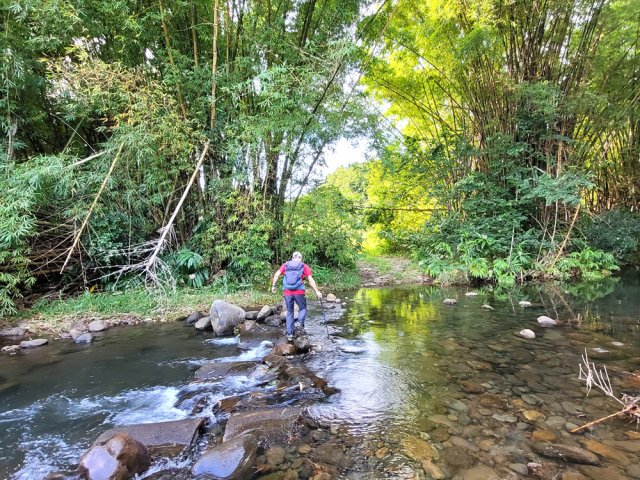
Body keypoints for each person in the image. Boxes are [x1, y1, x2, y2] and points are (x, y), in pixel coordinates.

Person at [271, 252, 322, 342]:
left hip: (287, 292)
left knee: (290, 312)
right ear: (300, 258)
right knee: (303, 308)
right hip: (299, 291)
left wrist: (273, 286)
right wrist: (317, 291)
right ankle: (299, 323)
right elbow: (310, 280)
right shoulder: (303, 266)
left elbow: (276, 275)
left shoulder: (286, 265)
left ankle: (289, 334)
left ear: (292, 258)